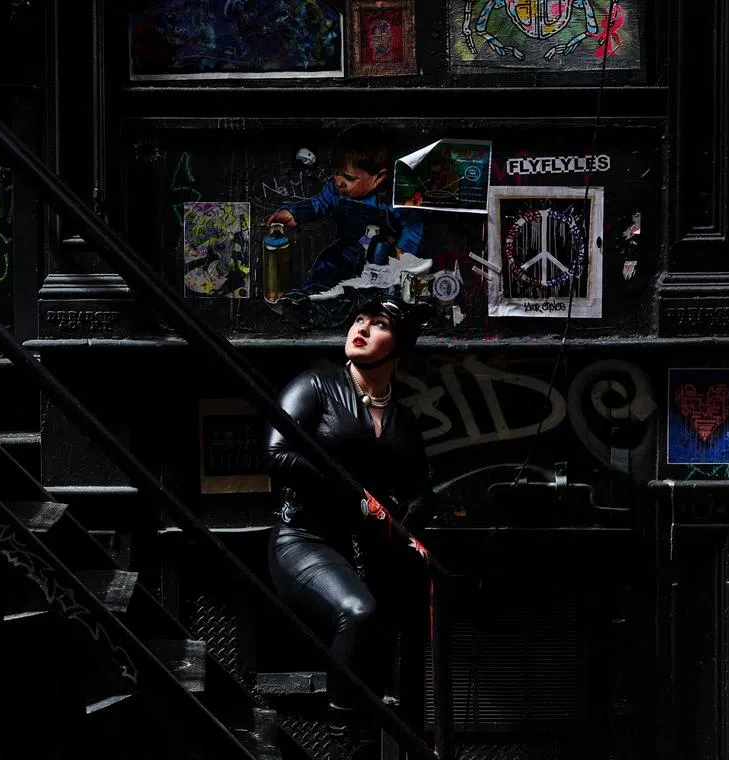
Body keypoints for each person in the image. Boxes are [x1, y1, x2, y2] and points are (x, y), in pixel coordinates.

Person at [264, 294, 436, 747]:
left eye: (377, 323)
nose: (359, 328)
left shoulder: (402, 419)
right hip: (303, 539)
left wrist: (403, 527)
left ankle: (364, 741)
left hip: (366, 550)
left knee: (386, 646)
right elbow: (277, 454)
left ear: (399, 347)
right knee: (358, 612)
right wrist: (353, 493)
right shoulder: (315, 386)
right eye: (357, 319)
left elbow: (422, 489)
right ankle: (341, 736)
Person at [262, 125, 431, 302]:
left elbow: (413, 226)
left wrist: (402, 252)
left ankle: (370, 303)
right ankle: (309, 300)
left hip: (382, 256)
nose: (339, 182)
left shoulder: (392, 198)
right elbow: (317, 204)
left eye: (349, 178)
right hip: (349, 249)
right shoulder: (334, 191)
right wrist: (292, 213)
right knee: (326, 263)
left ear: (378, 178)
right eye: (336, 173)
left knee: (378, 281)